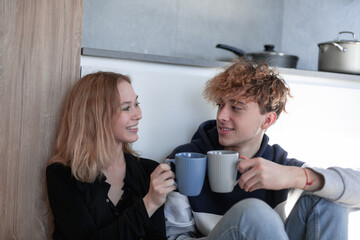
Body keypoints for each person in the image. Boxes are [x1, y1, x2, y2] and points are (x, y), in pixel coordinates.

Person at [164, 58, 360, 240]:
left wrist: (294, 176)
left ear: (267, 119)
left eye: (236, 107)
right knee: (253, 212)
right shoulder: (185, 160)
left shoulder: (278, 164)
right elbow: (175, 236)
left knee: (330, 198)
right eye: (220, 105)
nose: (222, 116)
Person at [46, 71, 176, 240]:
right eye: (126, 107)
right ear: (96, 116)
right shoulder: (62, 175)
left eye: (137, 104)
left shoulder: (148, 171)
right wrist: (150, 203)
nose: (138, 114)